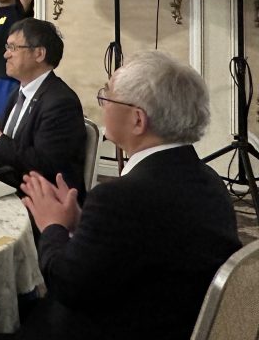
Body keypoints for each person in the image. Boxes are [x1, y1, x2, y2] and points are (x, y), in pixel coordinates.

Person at [19, 51, 241, 340]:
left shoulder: (120, 196)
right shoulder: (210, 180)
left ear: (137, 120)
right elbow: (141, 246)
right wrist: (80, 223)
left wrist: (52, 226)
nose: (102, 104)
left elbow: (67, 285)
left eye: (108, 96)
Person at [0, 18, 86, 198]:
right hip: (8, 186)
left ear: (39, 53)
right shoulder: (17, 92)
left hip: (43, 201)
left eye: (13, 48)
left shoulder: (60, 102)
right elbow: (9, 149)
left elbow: (45, 166)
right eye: (7, 47)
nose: (5, 55)